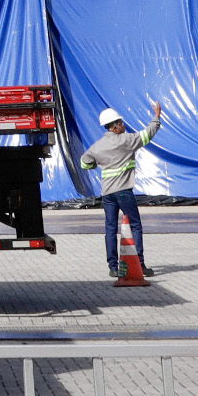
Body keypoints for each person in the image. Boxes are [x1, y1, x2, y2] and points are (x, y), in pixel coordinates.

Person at [80, 100, 164, 278]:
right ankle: (139, 265)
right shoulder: (126, 140)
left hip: (107, 194)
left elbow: (84, 162)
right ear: (114, 127)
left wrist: (95, 164)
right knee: (135, 226)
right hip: (124, 192)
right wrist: (156, 117)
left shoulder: (97, 146)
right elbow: (148, 135)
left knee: (110, 228)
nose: (124, 125)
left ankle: (113, 267)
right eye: (121, 123)